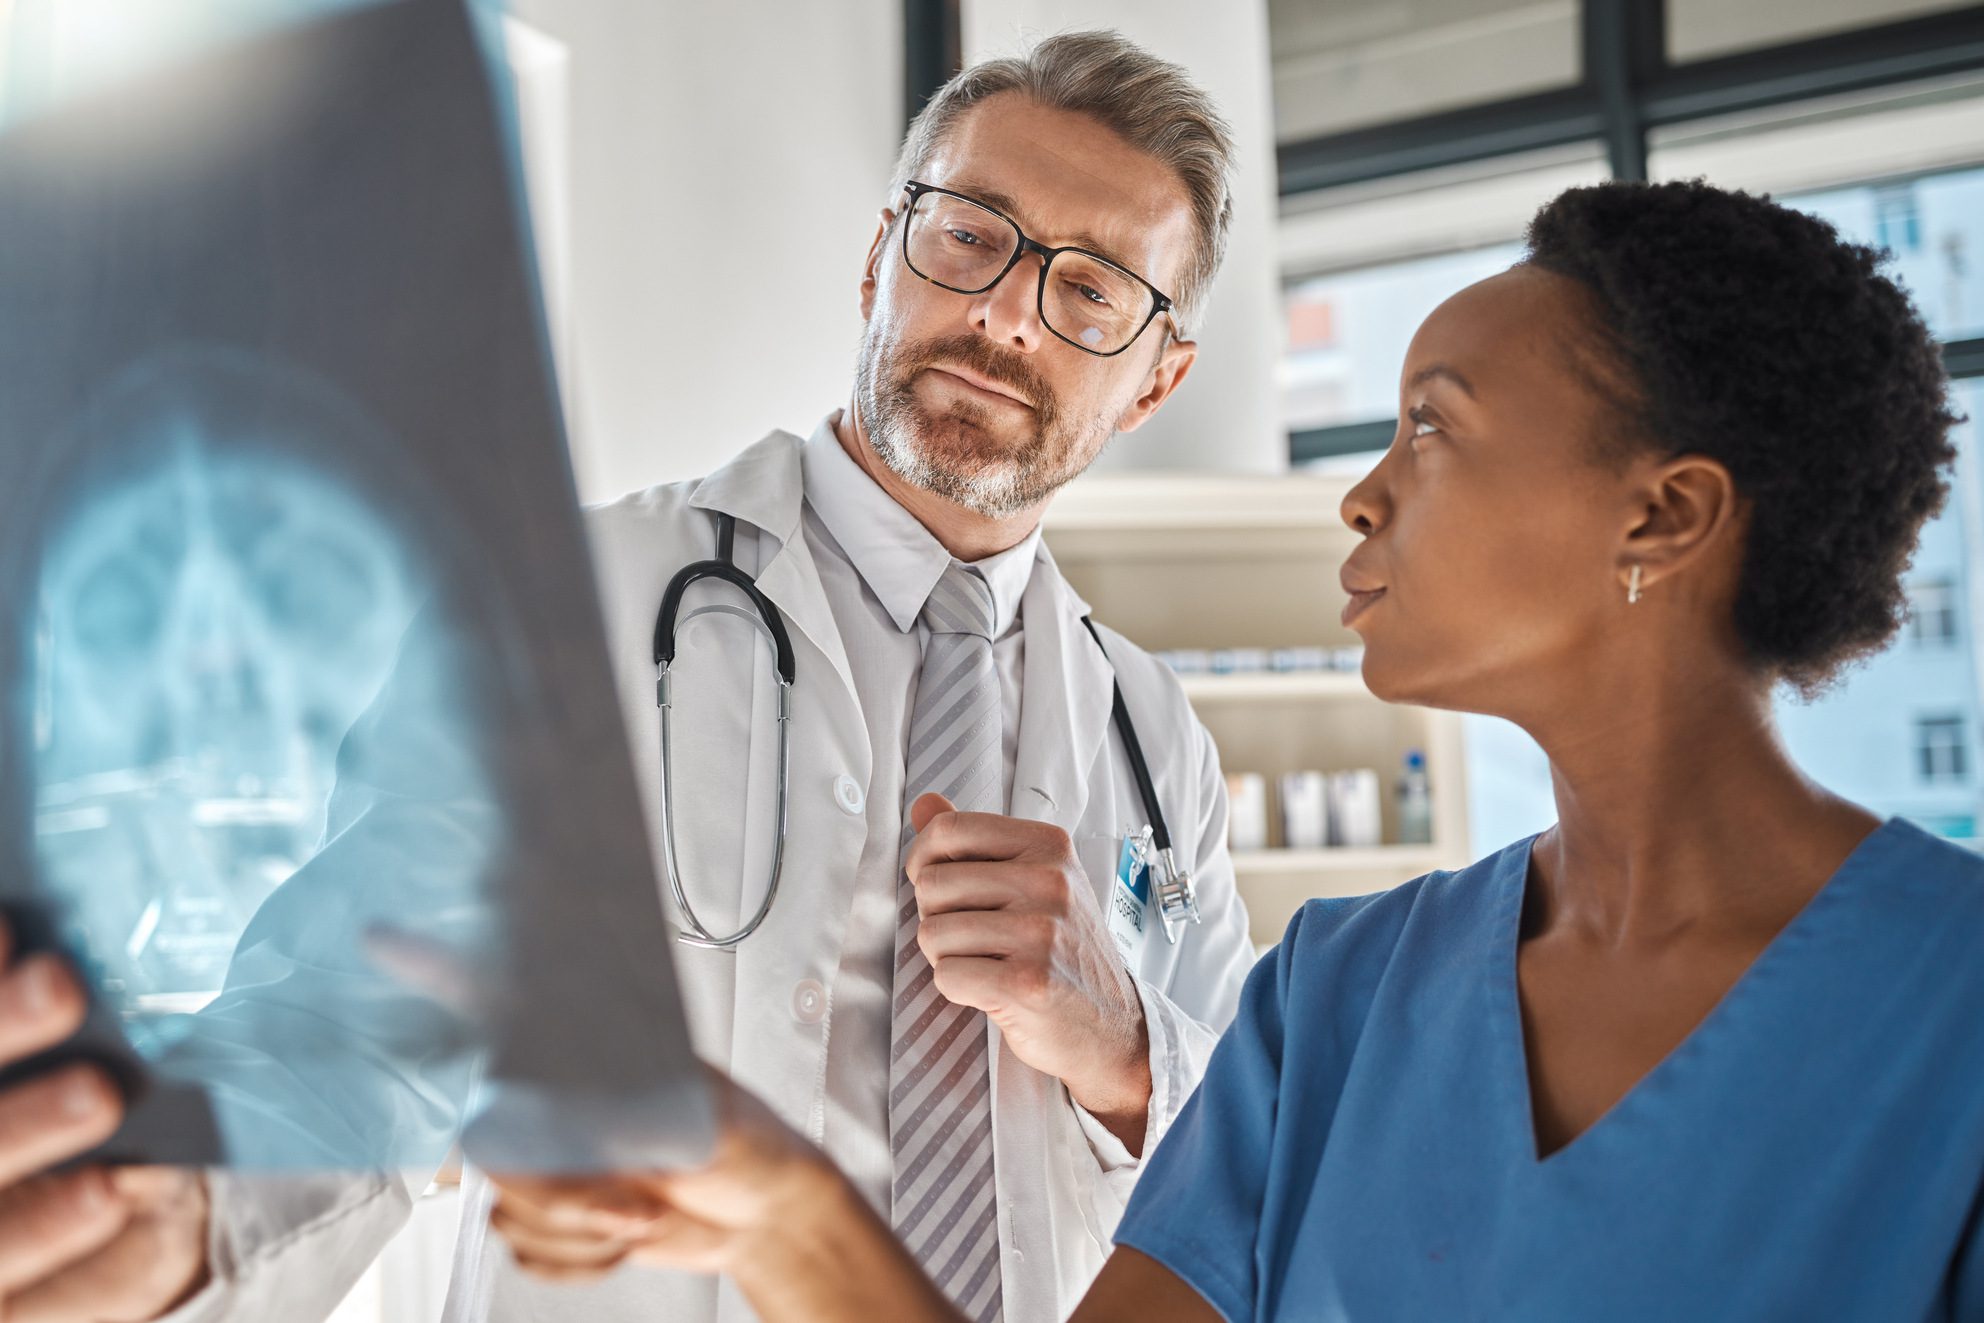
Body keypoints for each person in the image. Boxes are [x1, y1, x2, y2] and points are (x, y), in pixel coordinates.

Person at [504, 179, 1984, 1321]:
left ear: (1660, 519)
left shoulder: (1951, 1011)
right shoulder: (1337, 1001)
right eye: (969, 240)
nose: (1361, 497)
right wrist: (784, 1215)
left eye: (1431, 428)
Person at [0, 28, 1259, 1323]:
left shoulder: (1154, 738)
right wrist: (200, 1202)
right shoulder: (575, 598)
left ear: (1157, 378)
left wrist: (1122, 1049)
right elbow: (368, 1002)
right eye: (969, 234)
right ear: (883, 251)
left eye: (1091, 289)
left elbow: (1258, 1150)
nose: (1002, 310)